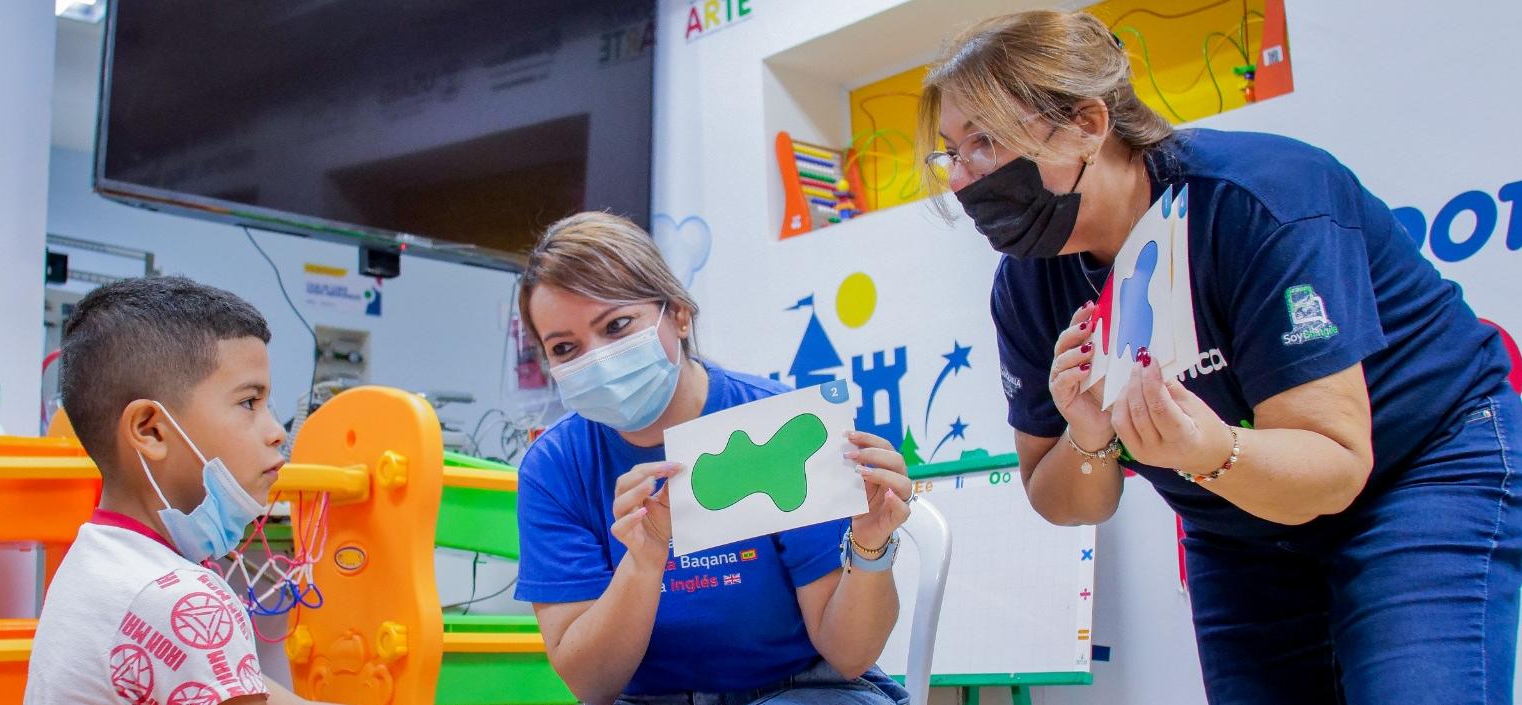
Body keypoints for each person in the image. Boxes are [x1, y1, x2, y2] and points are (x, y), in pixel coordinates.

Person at [918, 9, 1522, 704]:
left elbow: (1332, 464)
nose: (963, 176)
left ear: (1087, 122)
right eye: (951, 152)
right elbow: (1059, 497)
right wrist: (1089, 439)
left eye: (985, 141)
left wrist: (1210, 451)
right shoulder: (1030, 285)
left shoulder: (1258, 200)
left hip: (1416, 465)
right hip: (1236, 522)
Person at [513, 212, 914, 705]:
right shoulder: (555, 467)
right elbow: (592, 685)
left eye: (617, 326)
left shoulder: (780, 424)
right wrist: (643, 562)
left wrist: (870, 545)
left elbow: (849, 655)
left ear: (678, 314)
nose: (597, 358)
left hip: (801, 689)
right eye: (565, 347)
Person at [26, 277, 331, 705]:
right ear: (150, 430)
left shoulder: (98, 558)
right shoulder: (181, 599)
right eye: (249, 403)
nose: (276, 432)